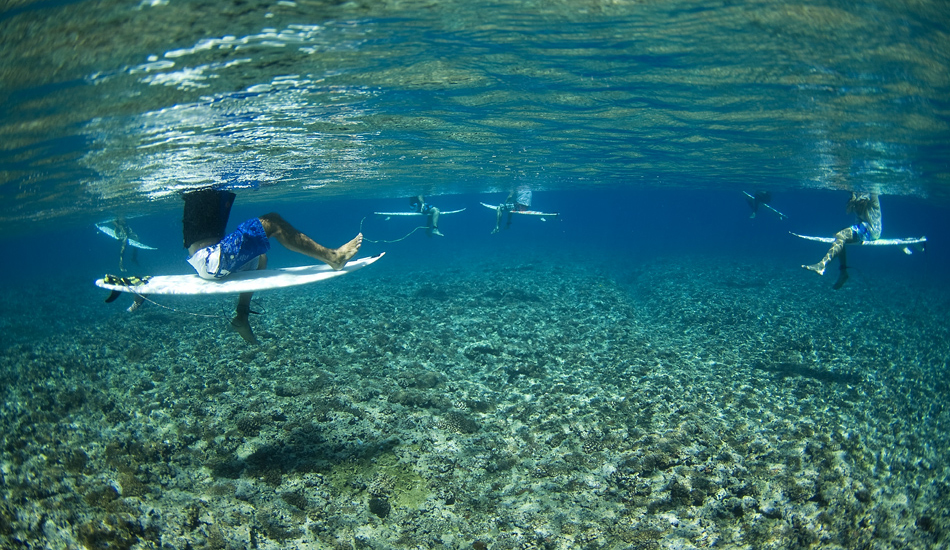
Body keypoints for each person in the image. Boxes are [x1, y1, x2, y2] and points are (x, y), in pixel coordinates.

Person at [183, 188, 363, 344]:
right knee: (273, 222)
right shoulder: (203, 179)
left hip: (206, 262)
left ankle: (242, 316)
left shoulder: (199, 188)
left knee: (260, 258)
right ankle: (334, 257)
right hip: (211, 259)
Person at [803, 192, 881, 289]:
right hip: (859, 228)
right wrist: (852, 200)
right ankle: (843, 272)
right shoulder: (855, 192)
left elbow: (861, 205)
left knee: (841, 235)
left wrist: (855, 200)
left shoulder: (869, 192)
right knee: (839, 237)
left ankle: (822, 265)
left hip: (871, 229)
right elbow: (848, 211)